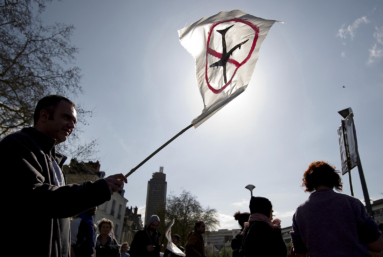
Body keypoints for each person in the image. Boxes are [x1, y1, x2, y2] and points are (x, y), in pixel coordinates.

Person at [0, 95, 127, 257]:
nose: (72, 125)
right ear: (44, 115)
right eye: (67, 117)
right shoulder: (17, 144)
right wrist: (96, 190)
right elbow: (35, 199)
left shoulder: (56, 164)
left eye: (74, 121)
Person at [291, 161, 383, 257]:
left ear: (308, 182)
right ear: (334, 178)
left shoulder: (299, 212)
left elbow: (300, 253)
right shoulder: (352, 203)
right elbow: (377, 245)